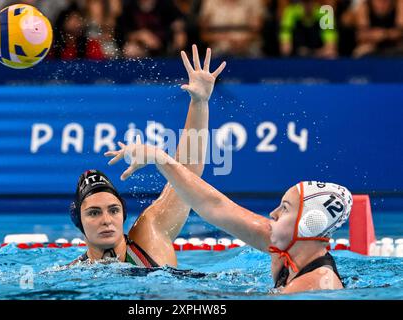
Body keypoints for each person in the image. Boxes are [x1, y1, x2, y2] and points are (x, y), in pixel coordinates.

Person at [106, 139, 353, 293]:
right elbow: (214, 205)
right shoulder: (285, 245)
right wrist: (159, 157)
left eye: (285, 208)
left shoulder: (316, 286)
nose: (273, 213)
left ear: (310, 225)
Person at [69, 45, 227, 267]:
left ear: (123, 214)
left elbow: (188, 174)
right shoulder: (72, 275)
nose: (106, 221)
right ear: (79, 222)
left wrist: (199, 103)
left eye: (113, 210)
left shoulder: (150, 236)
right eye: (94, 213)